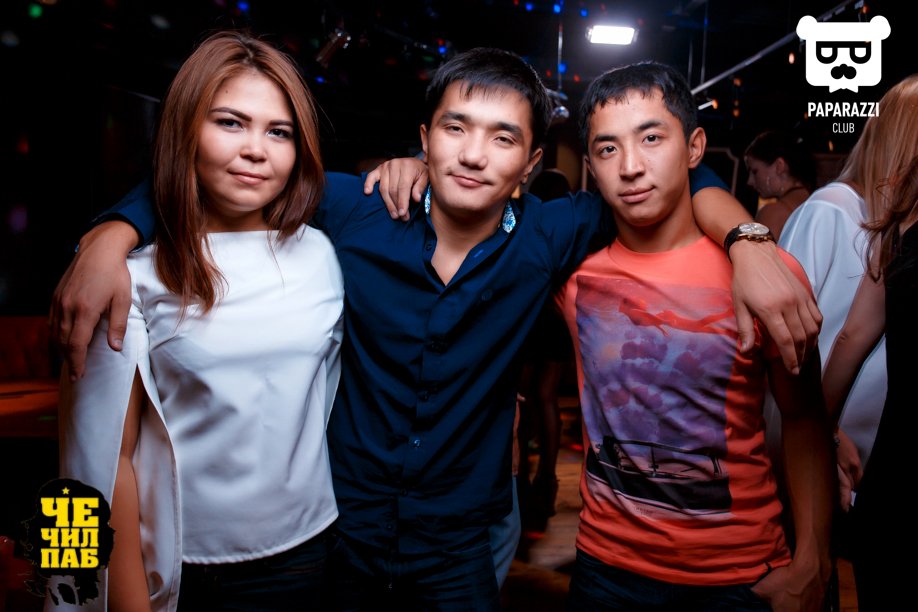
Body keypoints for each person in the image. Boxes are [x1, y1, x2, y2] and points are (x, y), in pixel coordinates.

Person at [51, 47, 820, 608]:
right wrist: (109, 235)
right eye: (456, 128)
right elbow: (225, 176)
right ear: (423, 138)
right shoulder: (351, 215)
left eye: (503, 138)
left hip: (450, 549)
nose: (475, 155)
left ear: (530, 166)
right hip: (330, 541)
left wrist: (746, 239)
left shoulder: (550, 235)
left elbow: (670, 172)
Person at [49, 31, 344, 611]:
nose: (256, 149)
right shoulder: (130, 273)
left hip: (310, 554)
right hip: (182, 571)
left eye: (279, 131)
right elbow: (93, 462)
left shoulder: (322, 254)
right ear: (186, 130)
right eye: (231, 122)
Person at [557, 61, 834, 611]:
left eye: (652, 138)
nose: (631, 167)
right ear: (590, 165)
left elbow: (805, 418)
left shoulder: (766, 277)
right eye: (608, 149)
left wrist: (813, 561)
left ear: (694, 147)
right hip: (605, 570)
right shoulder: (576, 277)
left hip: (739, 575)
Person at [771, 75, 918, 514]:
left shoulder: (893, 227)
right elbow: (785, 342)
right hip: (824, 466)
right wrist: (823, 436)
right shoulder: (831, 210)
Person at [821, 154, 918, 610]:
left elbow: (851, 338)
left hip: (896, 483)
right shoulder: (899, 231)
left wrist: (823, 431)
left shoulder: (901, 228)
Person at [744, 130, 816, 240]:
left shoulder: (772, 213)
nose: (750, 181)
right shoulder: (818, 205)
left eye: (754, 171)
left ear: (779, 166)